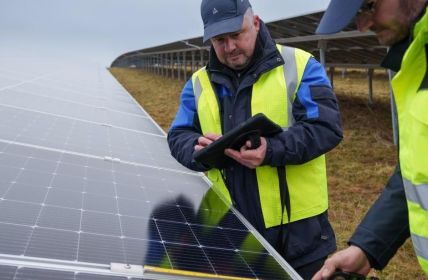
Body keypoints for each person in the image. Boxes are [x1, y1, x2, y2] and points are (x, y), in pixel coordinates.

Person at [167, 0, 343, 278]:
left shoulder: (300, 65)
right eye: (219, 40)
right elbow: (178, 135)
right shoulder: (198, 84)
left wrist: (272, 149)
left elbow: (326, 126)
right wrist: (196, 149)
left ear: (256, 23)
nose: (230, 47)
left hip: (298, 235)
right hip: (230, 230)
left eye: (236, 34)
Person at [312, 0, 428, 279]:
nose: (363, 25)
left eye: (368, 6)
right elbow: (417, 175)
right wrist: (367, 246)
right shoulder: (416, 59)